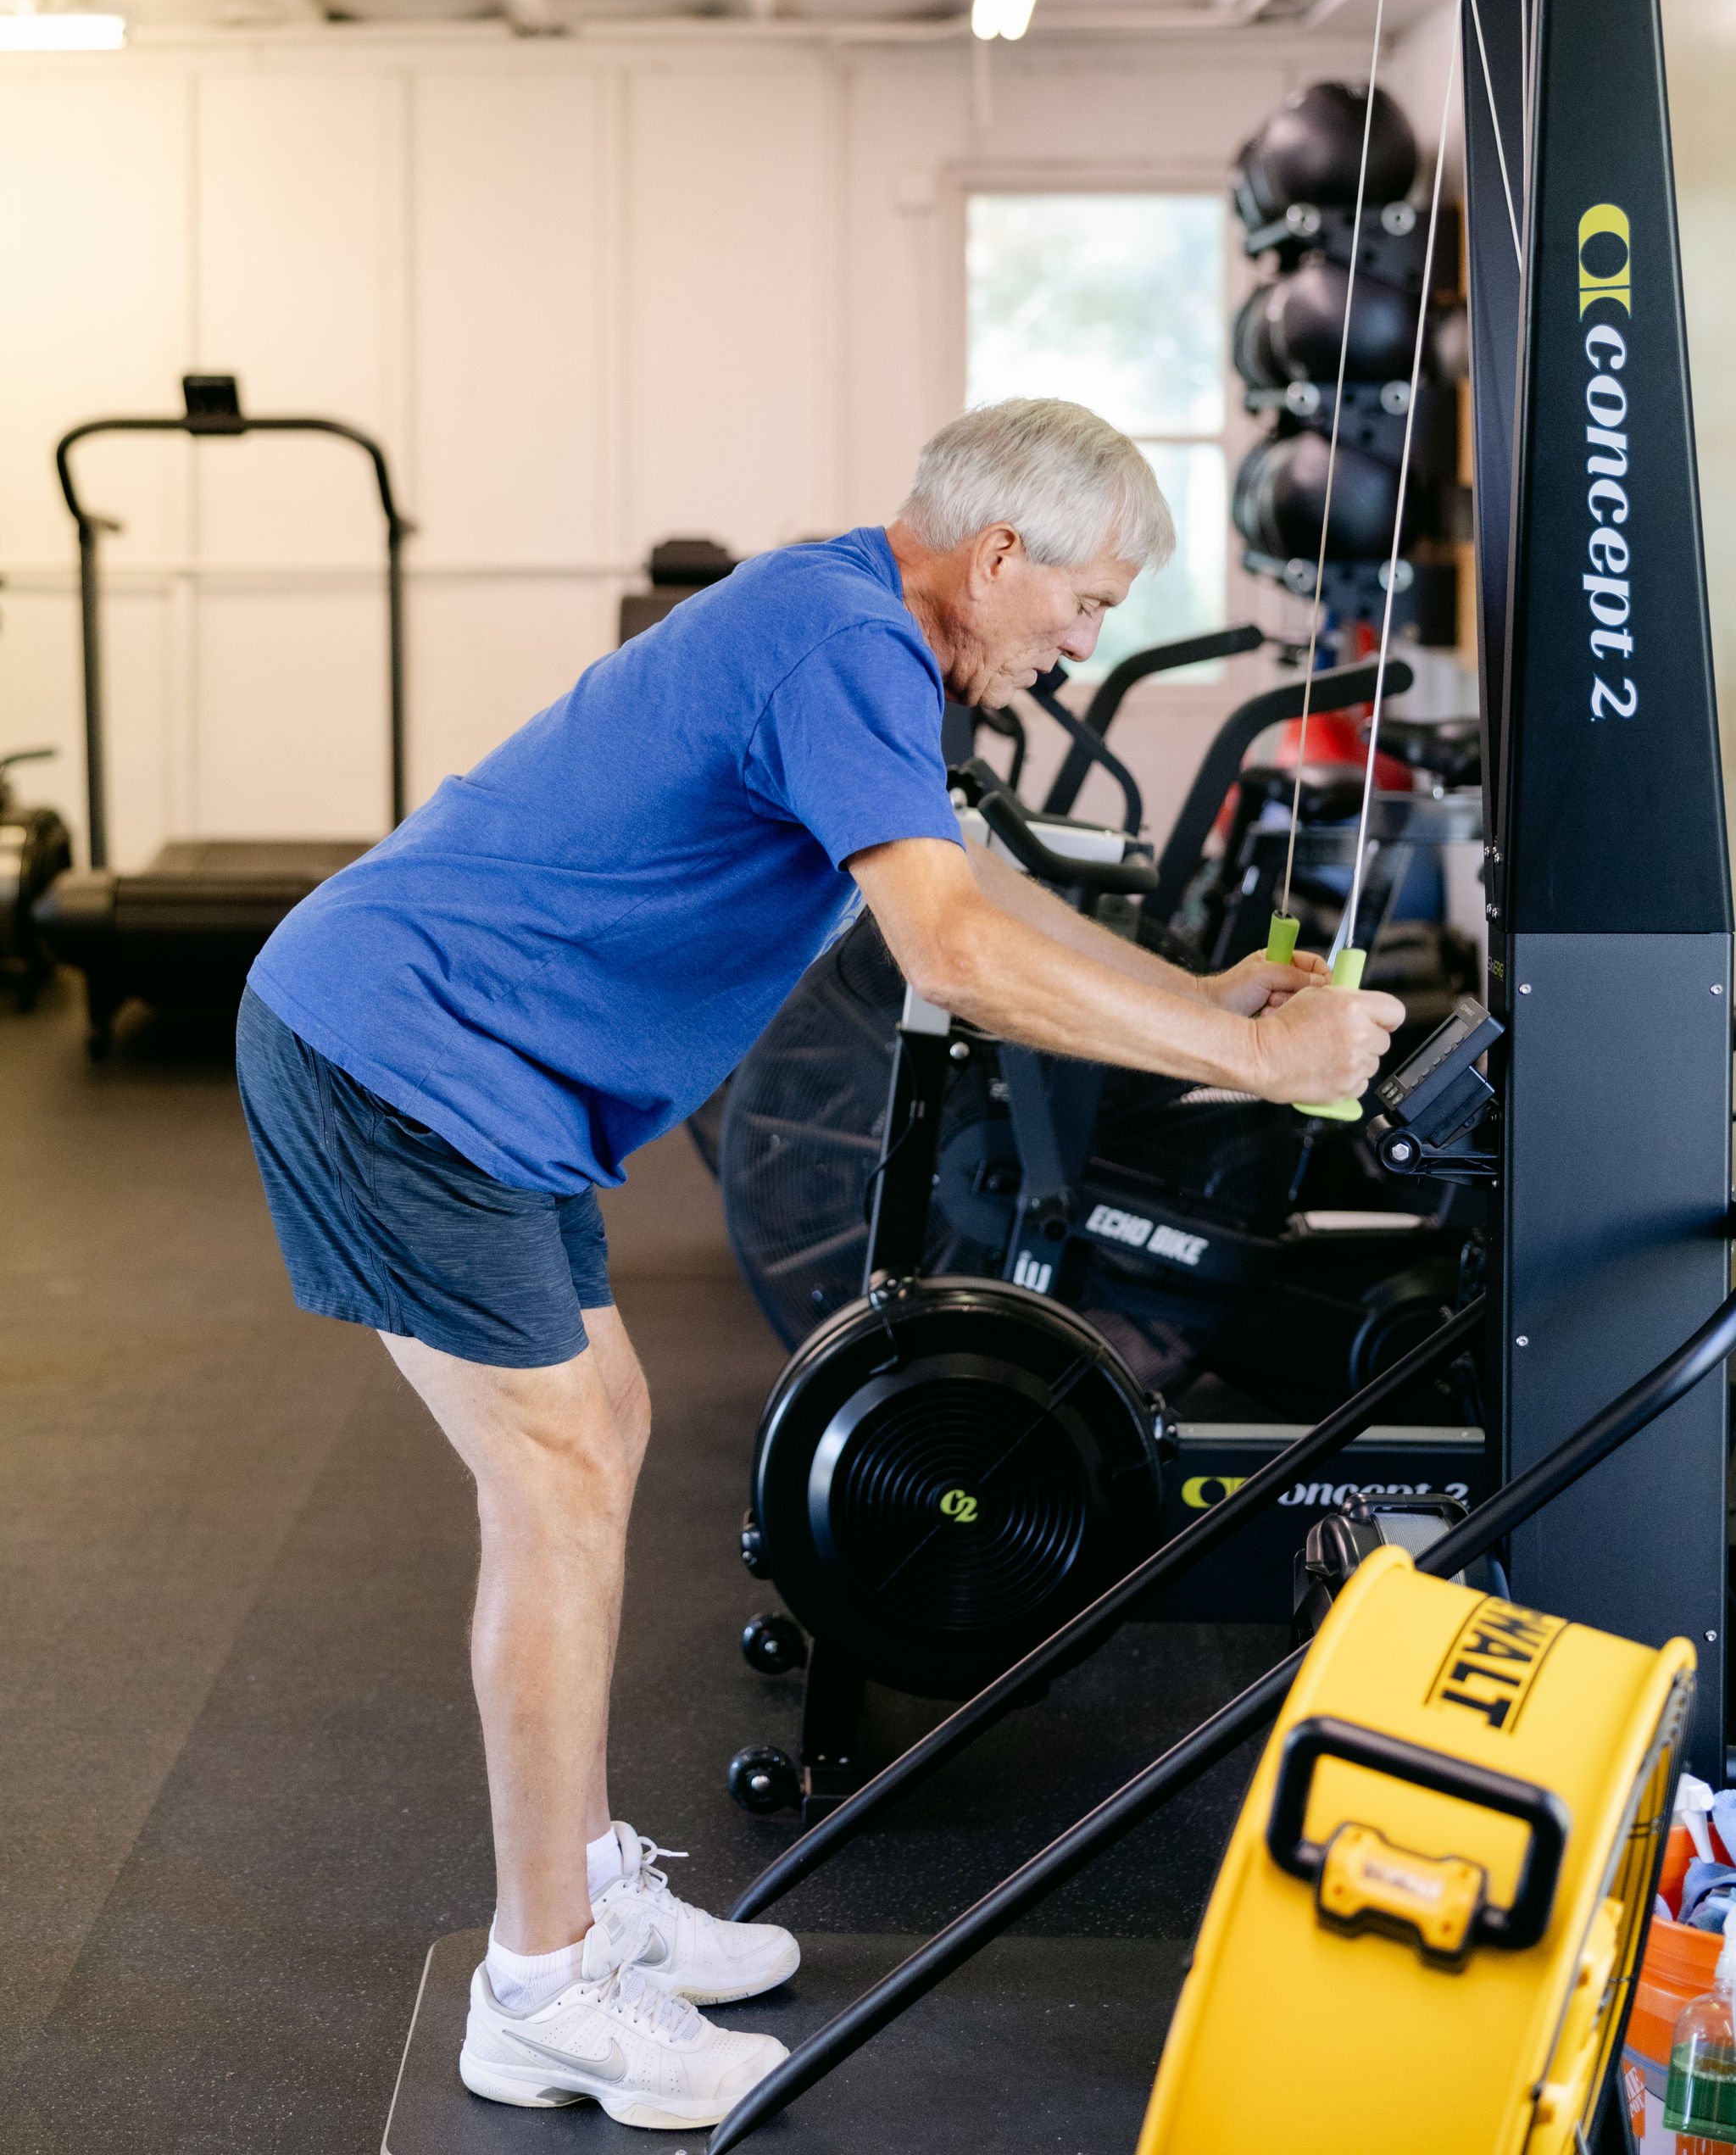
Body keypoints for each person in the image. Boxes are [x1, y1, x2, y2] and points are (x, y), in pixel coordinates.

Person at [236, 397, 1402, 2129]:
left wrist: (1195, 1003)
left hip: (480, 1068)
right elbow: (949, 953)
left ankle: (579, 1880)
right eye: (1085, 603)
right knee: (556, 1477)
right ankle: (542, 1984)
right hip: (400, 1057)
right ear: (999, 554)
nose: (1088, 642)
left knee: (601, 1428)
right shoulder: (842, 640)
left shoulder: (850, 624)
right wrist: (1253, 1064)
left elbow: (980, 889)